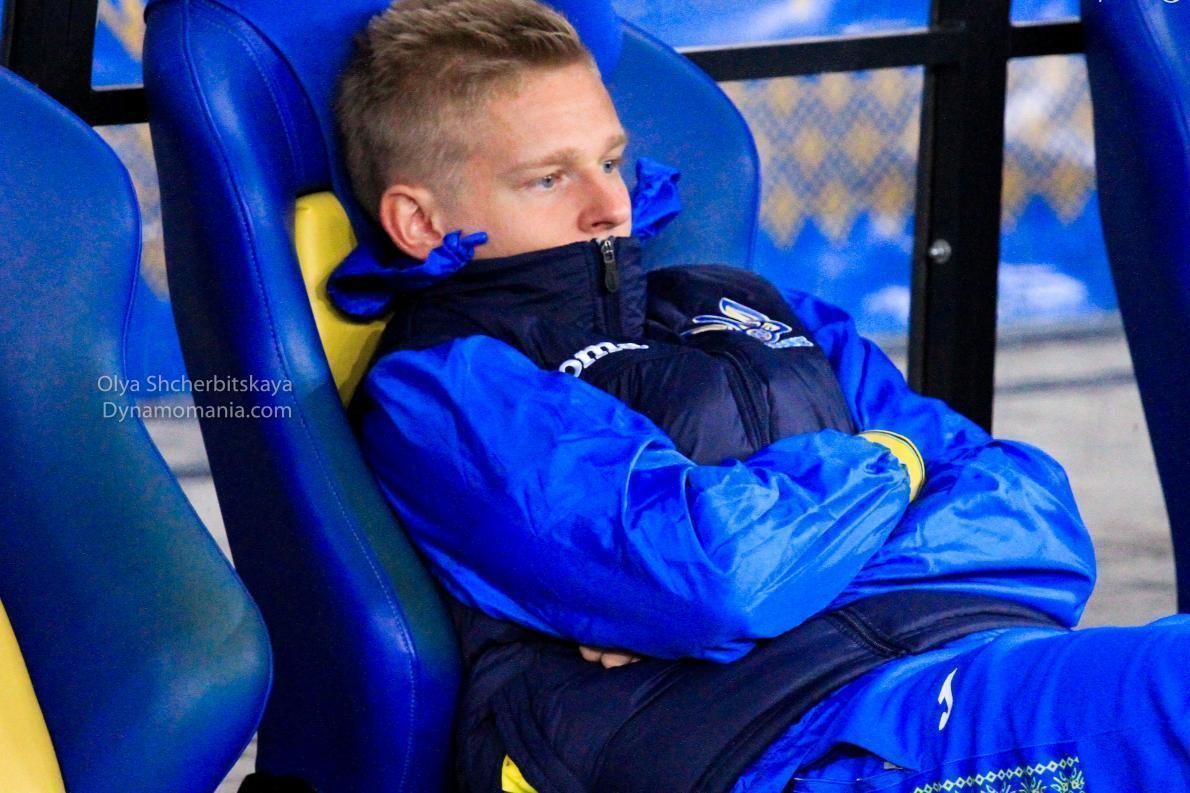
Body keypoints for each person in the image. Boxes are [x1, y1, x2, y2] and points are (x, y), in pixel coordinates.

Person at [327, 1, 1190, 791]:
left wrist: (792, 571)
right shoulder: (452, 386)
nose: (610, 204)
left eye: (611, 160)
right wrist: (897, 467)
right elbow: (718, 576)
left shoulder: (746, 305)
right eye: (548, 179)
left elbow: (1036, 516)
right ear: (420, 222)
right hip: (774, 744)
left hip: (949, 669)